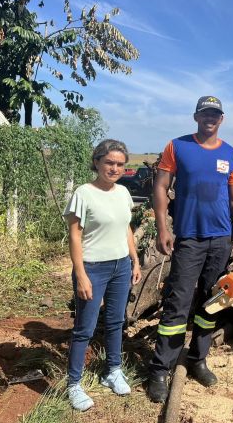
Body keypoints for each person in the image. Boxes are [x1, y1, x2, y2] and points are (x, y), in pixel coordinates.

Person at [147, 96, 233, 403]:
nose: (210, 118)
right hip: (189, 238)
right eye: (205, 113)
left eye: (215, 114)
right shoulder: (177, 147)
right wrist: (164, 228)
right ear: (196, 116)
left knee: (211, 303)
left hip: (221, 240)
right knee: (178, 303)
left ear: (221, 118)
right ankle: (161, 369)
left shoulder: (231, 154)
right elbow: (161, 187)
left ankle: (197, 359)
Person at [63, 139, 142, 411]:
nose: (115, 168)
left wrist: (134, 260)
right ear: (97, 162)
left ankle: (113, 371)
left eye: (120, 164)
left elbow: (127, 229)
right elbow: (75, 235)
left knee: (116, 321)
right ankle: (73, 384)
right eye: (109, 162)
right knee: (84, 327)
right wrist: (81, 274)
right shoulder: (83, 193)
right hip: (93, 267)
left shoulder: (123, 192)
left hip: (121, 266)